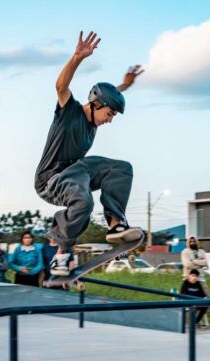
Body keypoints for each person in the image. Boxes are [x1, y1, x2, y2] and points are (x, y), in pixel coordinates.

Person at [33, 31, 145, 274]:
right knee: (84, 201)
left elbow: (108, 94)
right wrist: (77, 57)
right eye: (110, 114)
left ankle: (116, 226)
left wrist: (124, 85)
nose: (109, 121)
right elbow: (61, 86)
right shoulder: (69, 112)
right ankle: (61, 254)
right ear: (95, 105)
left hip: (77, 175)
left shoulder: (94, 120)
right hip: (51, 180)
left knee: (121, 168)